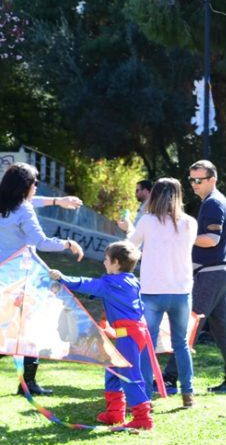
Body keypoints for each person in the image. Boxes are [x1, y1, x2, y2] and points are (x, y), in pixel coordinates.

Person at [1, 162, 86, 396]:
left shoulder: (7, 204)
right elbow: (41, 242)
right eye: (34, 183)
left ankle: (27, 383)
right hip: (23, 278)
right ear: (23, 186)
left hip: (3, 277)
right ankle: (28, 383)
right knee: (29, 328)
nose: (37, 186)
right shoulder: (23, 209)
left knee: (5, 328)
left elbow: (29, 203)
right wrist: (68, 243)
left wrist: (58, 201)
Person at [51, 241, 156, 429]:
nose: (104, 263)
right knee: (114, 371)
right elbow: (98, 290)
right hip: (132, 333)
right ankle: (115, 413)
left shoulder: (112, 283)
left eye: (106, 259)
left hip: (129, 334)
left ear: (116, 262)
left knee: (128, 374)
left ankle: (143, 418)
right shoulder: (129, 280)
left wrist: (62, 278)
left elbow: (88, 284)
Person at [119, 177, 197, 407]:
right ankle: (188, 394)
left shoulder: (147, 221)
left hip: (152, 290)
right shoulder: (190, 223)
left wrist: (127, 230)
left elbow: (131, 248)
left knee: (147, 344)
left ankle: (145, 395)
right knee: (181, 343)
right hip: (181, 291)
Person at [176, 159, 226, 395]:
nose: (194, 184)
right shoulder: (216, 201)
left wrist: (183, 233)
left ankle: (168, 377)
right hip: (221, 272)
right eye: (191, 180)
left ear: (212, 179)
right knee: (224, 328)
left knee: (189, 324)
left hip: (211, 274)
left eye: (198, 180)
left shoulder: (213, 204)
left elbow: (211, 240)